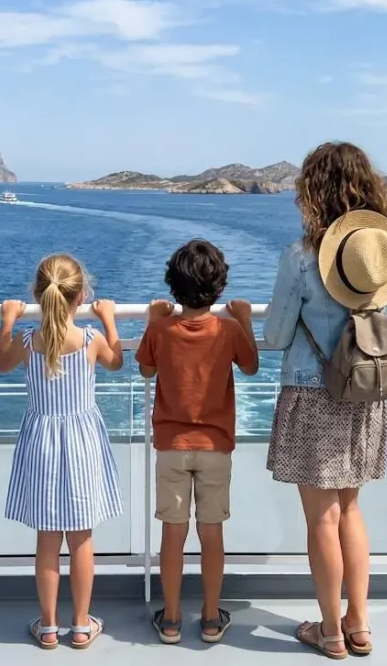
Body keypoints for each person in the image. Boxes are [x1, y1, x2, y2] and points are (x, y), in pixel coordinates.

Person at [262, 141, 387, 660]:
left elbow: (277, 336)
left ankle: (328, 632)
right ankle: (359, 624)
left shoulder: (301, 259)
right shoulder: (386, 258)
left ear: (312, 192)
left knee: (321, 518)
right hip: (367, 394)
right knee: (350, 508)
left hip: (313, 390)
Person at [0, 254, 125, 650]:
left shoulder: (29, 342)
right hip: (82, 444)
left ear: (37, 294)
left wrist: (7, 320)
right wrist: (109, 318)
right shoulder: (89, 340)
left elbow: (1, 364)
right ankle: (81, 625)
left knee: (47, 540)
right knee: (82, 540)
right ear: (81, 297)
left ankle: (49, 627)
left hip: (43, 446)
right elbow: (117, 362)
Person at [135, 239, 259, 645]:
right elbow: (252, 366)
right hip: (215, 447)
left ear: (173, 284)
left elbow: (146, 370)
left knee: (173, 532)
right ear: (219, 286)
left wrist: (153, 318)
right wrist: (245, 320)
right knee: (211, 532)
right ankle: (209, 618)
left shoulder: (160, 327)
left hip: (171, 444)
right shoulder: (228, 328)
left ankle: (170, 618)